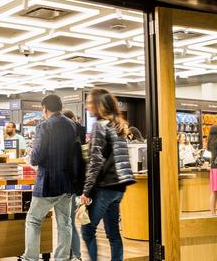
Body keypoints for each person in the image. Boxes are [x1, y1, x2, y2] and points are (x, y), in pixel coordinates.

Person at [22, 95, 82, 261]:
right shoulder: (73, 125)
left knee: (33, 220)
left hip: (48, 183)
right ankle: (62, 258)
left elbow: (36, 157)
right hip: (68, 184)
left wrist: (31, 155)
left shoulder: (44, 126)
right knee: (65, 223)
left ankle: (31, 258)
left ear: (45, 109)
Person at [80, 88, 136, 261]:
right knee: (113, 233)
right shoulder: (119, 125)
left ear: (99, 105)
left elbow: (96, 162)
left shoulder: (99, 126)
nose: (87, 106)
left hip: (105, 187)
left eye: (89, 102)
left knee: (87, 229)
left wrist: (86, 191)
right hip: (119, 187)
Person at [62, 109, 86, 261]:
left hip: (70, 185)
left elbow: (74, 165)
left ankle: (75, 254)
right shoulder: (80, 136)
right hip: (76, 186)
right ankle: (73, 253)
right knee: (68, 221)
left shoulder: (72, 138)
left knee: (67, 221)